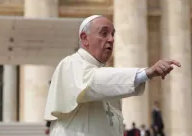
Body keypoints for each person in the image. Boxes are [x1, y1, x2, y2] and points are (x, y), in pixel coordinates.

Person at [44, 15, 181, 136]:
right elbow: (94, 81)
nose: (111, 39)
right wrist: (145, 73)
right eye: (104, 33)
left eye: (113, 34)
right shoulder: (70, 64)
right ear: (85, 38)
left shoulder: (106, 74)